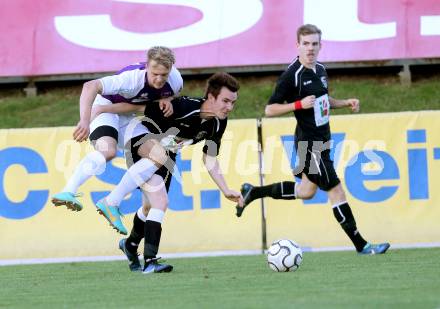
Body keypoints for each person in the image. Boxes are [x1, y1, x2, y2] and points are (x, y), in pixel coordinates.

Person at [235, 24, 390, 255]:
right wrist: (298, 104)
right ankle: (362, 245)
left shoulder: (320, 70)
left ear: (320, 45)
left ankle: (253, 192)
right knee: (336, 191)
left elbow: (323, 100)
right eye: (305, 44)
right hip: (310, 146)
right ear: (297, 45)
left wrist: (345, 102)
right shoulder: (292, 76)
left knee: (307, 191)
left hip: (322, 141)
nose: (310, 49)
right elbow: (270, 109)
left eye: (314, 44)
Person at [92, 72, 243, 273]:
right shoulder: (184, 107)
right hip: (143, 145)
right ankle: (150, 262)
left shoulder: (219, 123)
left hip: (167, 156)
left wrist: (225, 189)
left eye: (233, 102)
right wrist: (102, 108)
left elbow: (210, 157)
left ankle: (130, 245)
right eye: (225, 101)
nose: (229, 107)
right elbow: (140, 107)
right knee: (160, 203)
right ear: (210, 96)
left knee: (149, 207)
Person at [51, 46, 183, 234]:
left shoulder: (175, 80)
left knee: (160, 155)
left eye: (164, 74)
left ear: (171, 69)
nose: (160, 79)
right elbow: (90, 86)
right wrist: (84, 120)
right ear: (147, 66)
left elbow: (167, 93)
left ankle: (111, 202)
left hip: (126, 116)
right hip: (103, 108)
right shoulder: (131, 79)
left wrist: (168, 99)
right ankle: (68, 190)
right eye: (155, 73)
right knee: (108, 151)